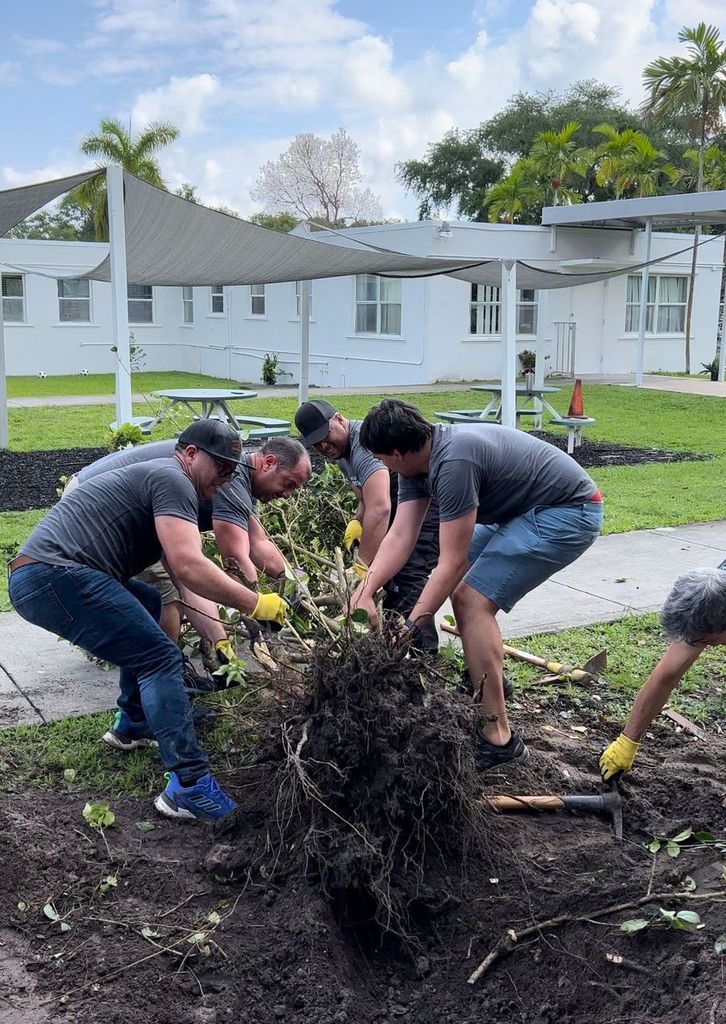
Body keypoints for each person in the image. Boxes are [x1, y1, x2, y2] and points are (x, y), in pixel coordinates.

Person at [9, 420, 296, 821]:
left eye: (233, 471)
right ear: (191, 454)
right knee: (158, 657)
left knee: (147, 601)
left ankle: (135, 720)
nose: (226, 478)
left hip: (49, 575)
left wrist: (218, 638)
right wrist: (256, 603)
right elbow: (190, 565)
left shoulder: (171, 486)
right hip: (51, 577)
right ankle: (189, 786)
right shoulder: (173, 478)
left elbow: (182, 576)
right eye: (220, 467)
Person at [350, 399, 604, 772]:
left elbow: (452, 563)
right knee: (460, 589)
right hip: (523, 511)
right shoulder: (416, 465)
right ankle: (489, 682)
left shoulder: (453, 462)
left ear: (397, 453)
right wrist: (363, 591)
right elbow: (401, 536)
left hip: (569, 511)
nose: (383, 467)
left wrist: (412, 624)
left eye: (382, 459)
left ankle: (499, 739)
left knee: (470, 599)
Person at [67, 435, 310, 673]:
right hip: (93, 499)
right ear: (268, 463)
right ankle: (165, 672)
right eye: (288, 483)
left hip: (108, 498)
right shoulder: (231, 475)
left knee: (183, 576)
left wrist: (292, 579)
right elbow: (235, 561)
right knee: (166, 596)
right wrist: (258, 607)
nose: (287, 495)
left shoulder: (238, 479)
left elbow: (258, 542)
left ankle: (191, 660)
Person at [294, 399, 440, 652]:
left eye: (325, 437)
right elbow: (365, 499)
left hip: (424, 505)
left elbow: (380, 508)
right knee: (389, 580)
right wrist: (356, 521)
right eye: (316, 443)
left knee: (408, 577)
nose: (323, 446)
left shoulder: (362, 445)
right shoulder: (341, 454)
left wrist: (362, 569)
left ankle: (425, 655)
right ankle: (392, 651)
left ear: (339, 419)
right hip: (399, 506)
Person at [600, 565, 726, 780]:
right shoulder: (714, 602)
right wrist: (627, 741)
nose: (701, 645)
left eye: (704, 641)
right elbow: (666, 676)